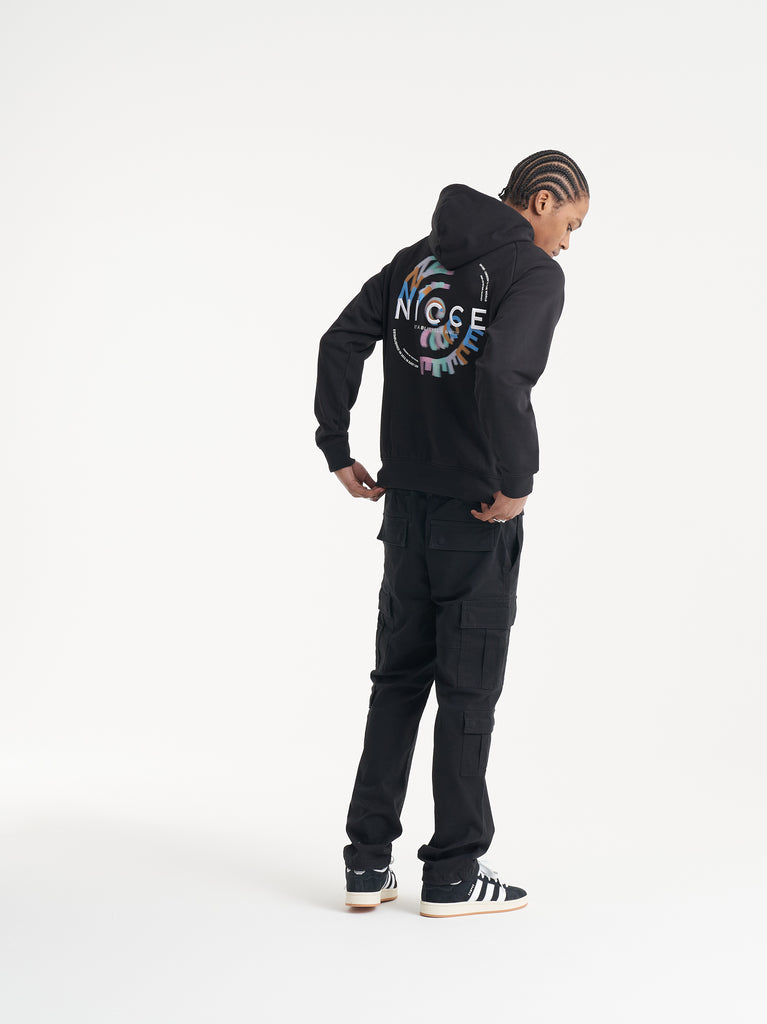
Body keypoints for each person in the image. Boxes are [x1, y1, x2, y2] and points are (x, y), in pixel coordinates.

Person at [314, 150, 589, 917]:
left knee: (396, 685)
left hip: (403, 511)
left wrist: (335, 445)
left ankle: (366, 864)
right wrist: (516, 482)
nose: (567, 243)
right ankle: (453, 874)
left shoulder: (416, 260)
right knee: (467, 695)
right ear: (541, 201)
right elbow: (502, 374)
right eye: (570, 224)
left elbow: (341, 338)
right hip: (476, 514)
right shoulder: (533, 274)